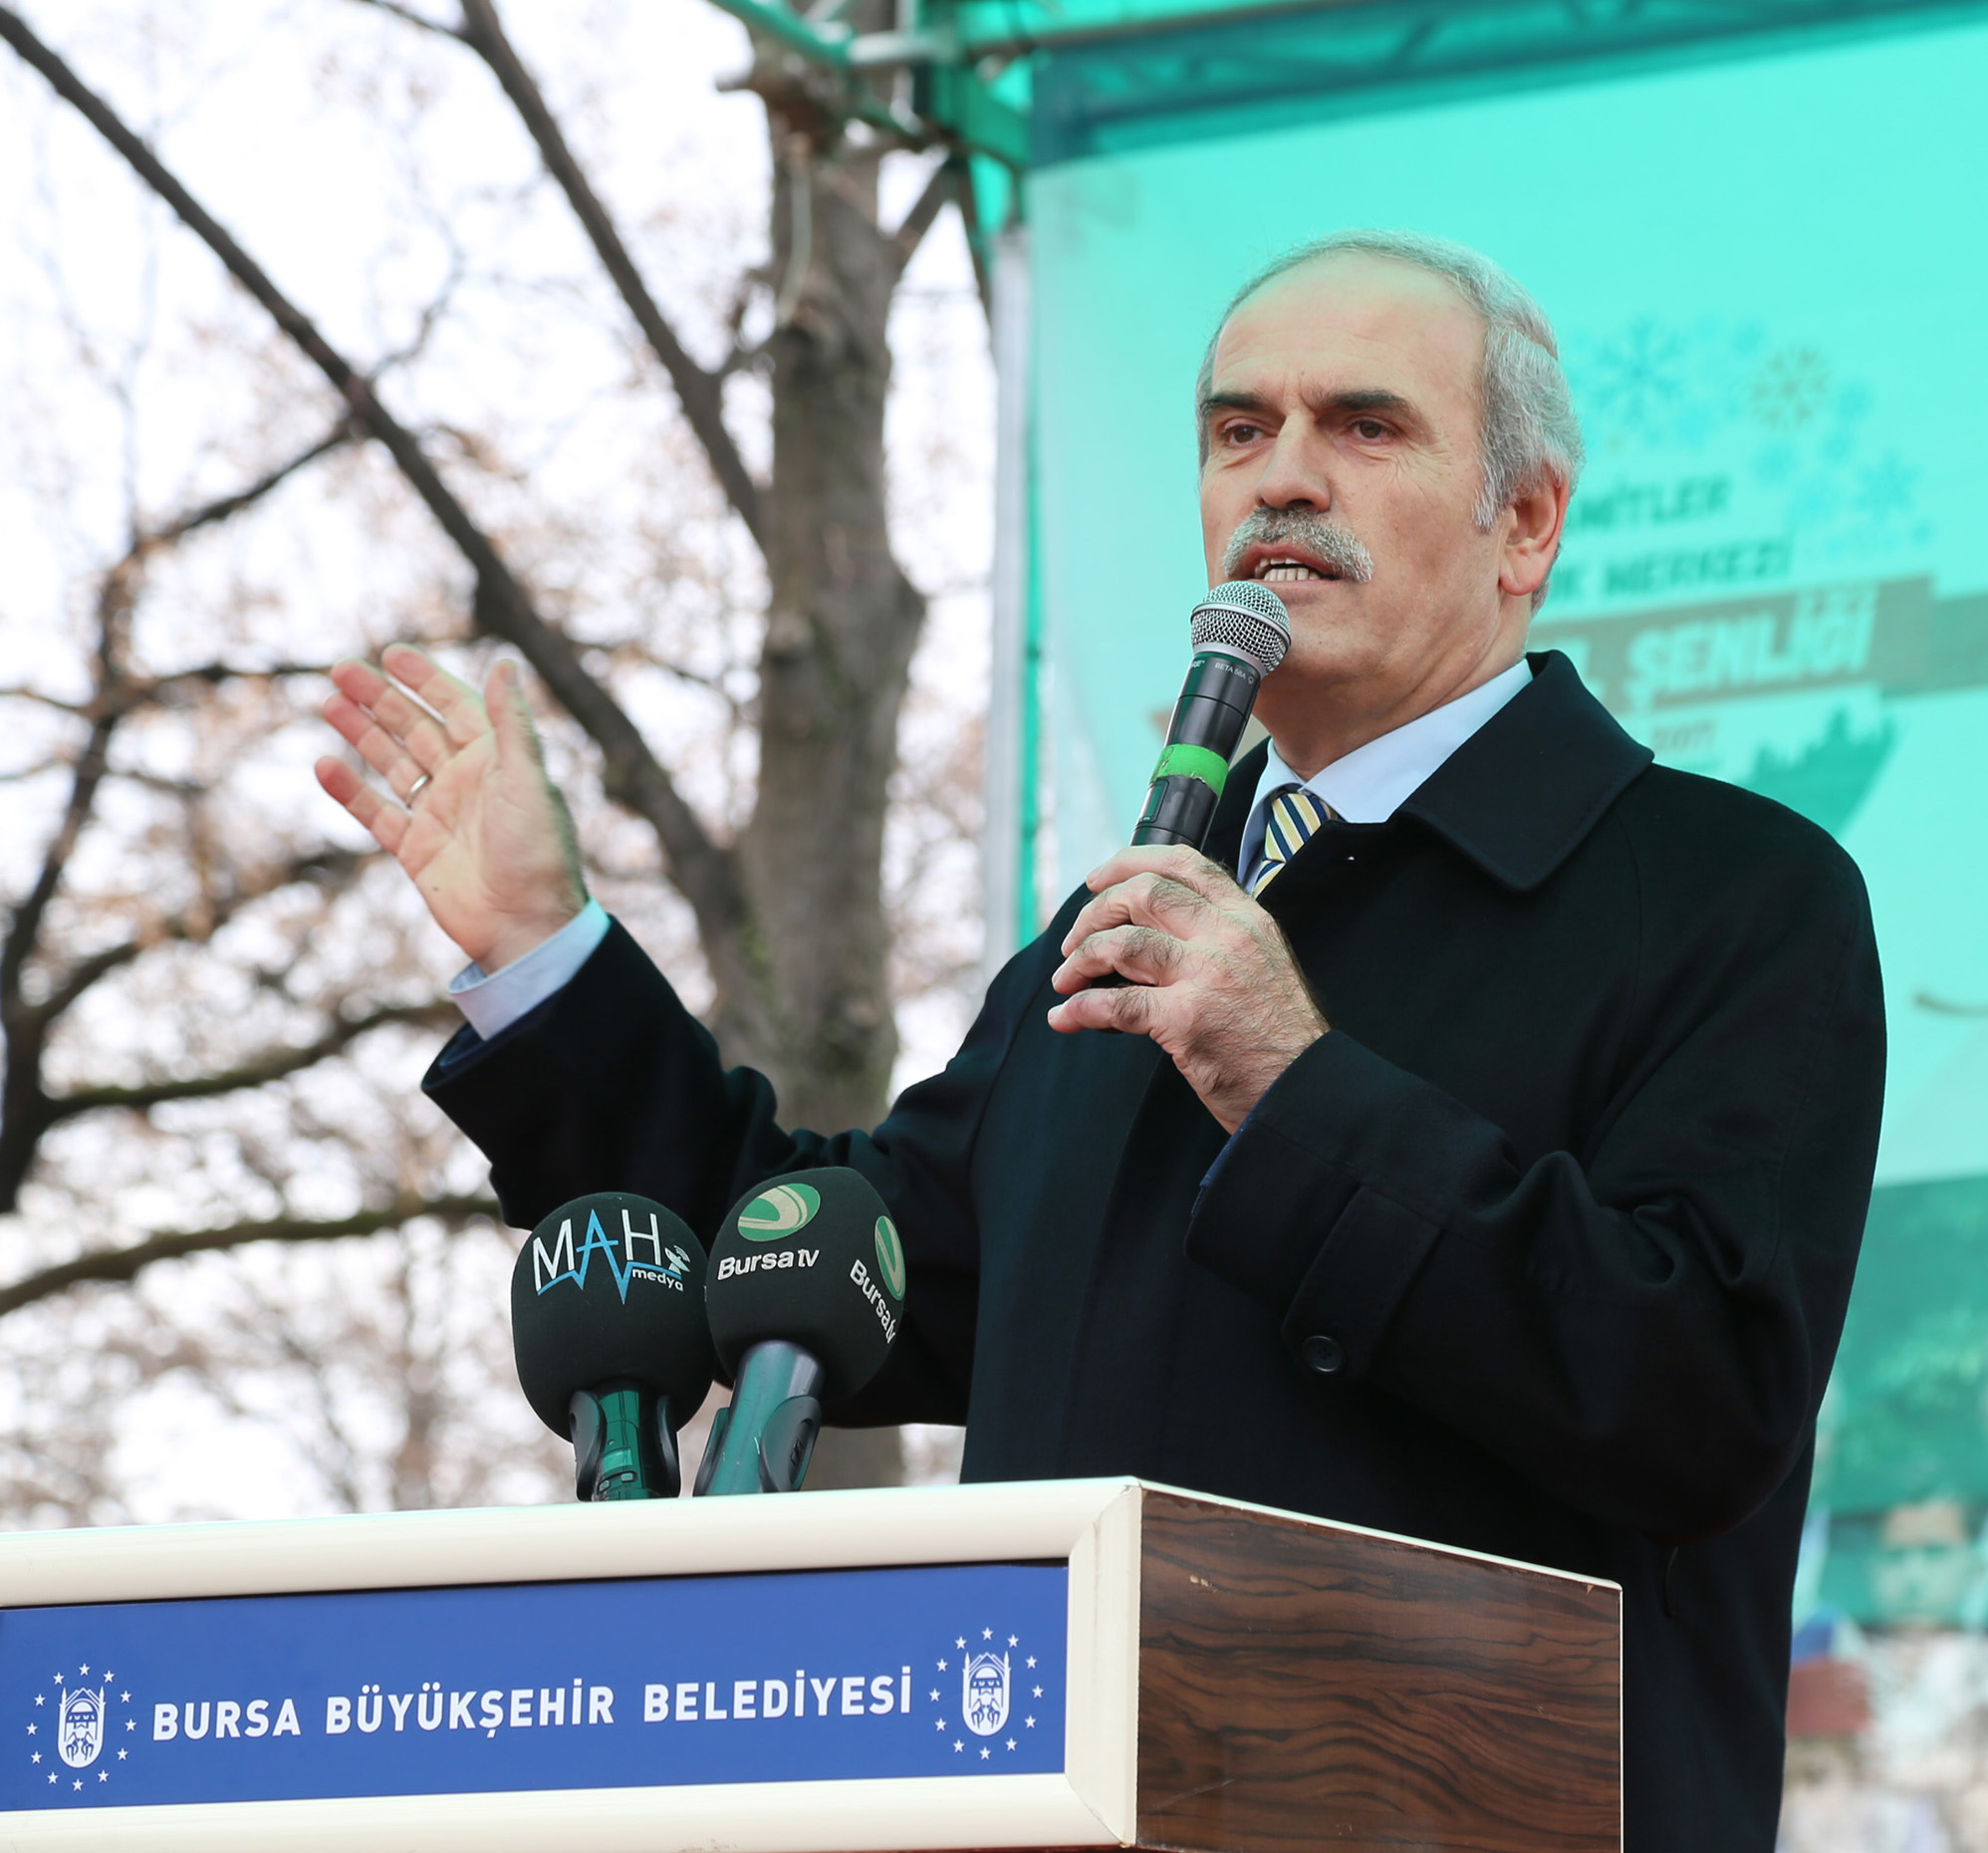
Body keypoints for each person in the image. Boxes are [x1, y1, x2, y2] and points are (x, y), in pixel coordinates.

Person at [316, 230, 1886, 1850]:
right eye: (1238, 429)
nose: (1283, 477)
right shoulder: (1124, 929)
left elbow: (1699, 1394)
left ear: (1527, 522)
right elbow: (814, 1265)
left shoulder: (1731, 897)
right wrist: (545, 956)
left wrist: (1292, 1080)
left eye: (1365, 425)